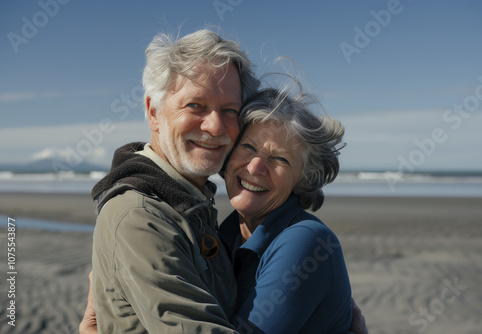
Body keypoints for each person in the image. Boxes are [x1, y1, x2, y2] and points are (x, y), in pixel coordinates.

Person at [80, 29, 367, 333]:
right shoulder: (141, 216)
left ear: (303, 176)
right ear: (153, 111)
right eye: (195, 105)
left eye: (229, 110)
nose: (215, 126)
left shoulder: (207, 221)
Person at [217, 86, 353, 333]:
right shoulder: (221, 235)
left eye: (280, 159)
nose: (255, 167)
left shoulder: (305, 241)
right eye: (248, 147)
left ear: (304, 178)